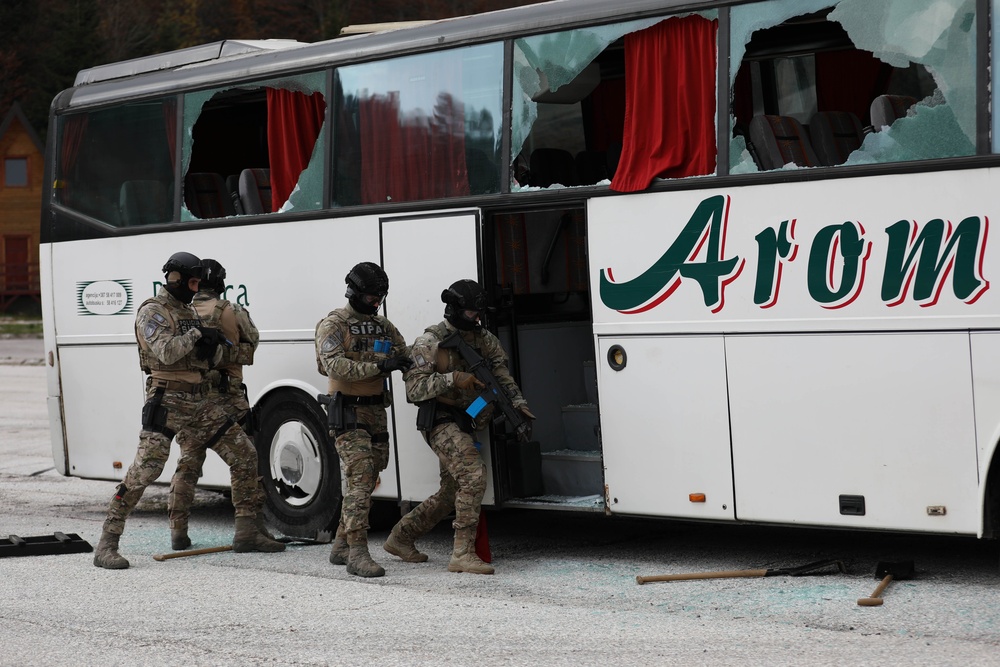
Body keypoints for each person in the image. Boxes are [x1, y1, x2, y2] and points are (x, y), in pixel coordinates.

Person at [94, 252, 279, 569]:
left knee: (245, 454)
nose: (196, 288)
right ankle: (107, 544)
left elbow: (207, 357)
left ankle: (247, 531)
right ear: (175, 278)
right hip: (167, 400)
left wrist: (215, 347)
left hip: (200, 401)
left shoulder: (189, 310)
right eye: (192, 282)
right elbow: (166, 352)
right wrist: (197, 335)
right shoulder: (153, 311)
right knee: (145, 472)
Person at [384, 279, 534, 575]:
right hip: (440, 419)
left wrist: (517, 403)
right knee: (473, 476)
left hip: (468, 417)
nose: (476, 319)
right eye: (470, 314)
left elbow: (501, 376)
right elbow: (414, 390)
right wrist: (453, 378)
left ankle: (401, 537)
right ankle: (462, 554)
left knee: (452, 491)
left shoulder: (484, 339)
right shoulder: (431, 342)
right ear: (453, 310)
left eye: (478, 313)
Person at [167, 259, 284, 553]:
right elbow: (252, 342)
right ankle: (250, 527)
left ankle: (178, 531)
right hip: (229, 398)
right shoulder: (231, 310)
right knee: (245, 458)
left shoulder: (185, 313)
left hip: (195, 399)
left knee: (188, 463)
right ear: (220, 282)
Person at [315, 262, 412, 577]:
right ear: (353, 292)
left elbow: (405, 353)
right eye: (371, 297)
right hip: (348, 411)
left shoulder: (382, 325)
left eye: (379, 298)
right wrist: (380, 367)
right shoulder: (334, 324)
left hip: (375, 413)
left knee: (370, 478)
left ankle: (341, 543)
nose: (376, 303)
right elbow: (334, 367)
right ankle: (357, 553)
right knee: (360, 477)